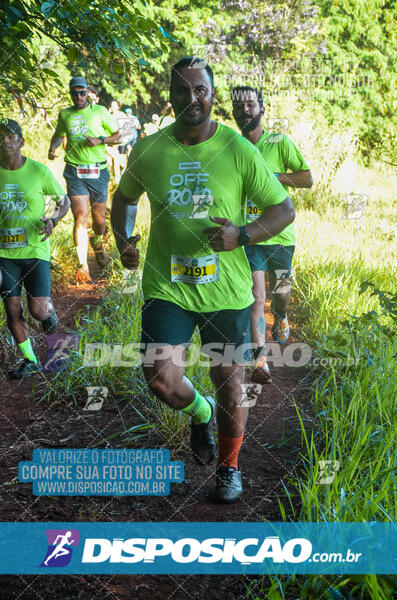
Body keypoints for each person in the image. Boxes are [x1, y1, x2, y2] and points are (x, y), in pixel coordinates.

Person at [111, 58, 295, 503]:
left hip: (227, 291)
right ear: (170, 96)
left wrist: (243, 235)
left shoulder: (237, 149)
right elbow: (123, 199)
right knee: (160, 377)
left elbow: (283, 210)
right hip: (166, 285)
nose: (191, 99)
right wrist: (124, 242)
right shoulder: (149, 149)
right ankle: (200, 411)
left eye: (200, 90)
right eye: (181, 91)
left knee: (230, 380)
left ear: (213, 95)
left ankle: (229, 468)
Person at [232, 86, 313, 384]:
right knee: (257, 296)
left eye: (251, 105)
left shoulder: (279, 142)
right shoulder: (233, 146)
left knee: (280, 294)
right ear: (233, 111)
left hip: (280, 235)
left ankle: (280, 315)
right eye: (239, 107)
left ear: (262, 108)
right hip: (250, 235)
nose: (245, 111)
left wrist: (277, 178)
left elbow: (307, 178)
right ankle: (261, 360)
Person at [0, 118, 70, 378]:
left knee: (39, 309)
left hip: (35, 250)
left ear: (21, 142)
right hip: (4, 254)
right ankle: (29, 359)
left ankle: (60, 349)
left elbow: (63, 202)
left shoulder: (38, 171)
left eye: (10, 136)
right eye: (0, 136)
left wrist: (52, 219)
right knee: (12, 308)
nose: (5, 140)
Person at [48, 76, 119, 283]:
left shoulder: (100, 112)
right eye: (74, 93)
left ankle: (97, 242)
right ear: (70, 93)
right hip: (74, 171)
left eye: (82, 92)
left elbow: (117, 135)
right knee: (81, 217)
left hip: (98, 171)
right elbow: (58, 134)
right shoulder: (65, 114)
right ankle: (83, 265)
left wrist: (100, 140)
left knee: (99, 222)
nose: (78, 96)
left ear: (88, 92)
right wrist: (52, 148)